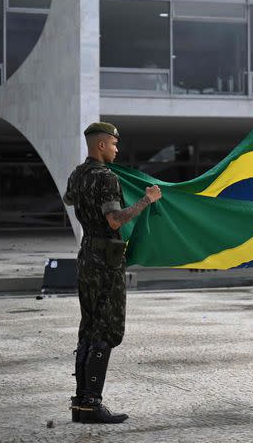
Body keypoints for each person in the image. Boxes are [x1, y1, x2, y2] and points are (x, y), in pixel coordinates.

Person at [63, 122, 162, 423]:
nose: (117, 150)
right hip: (106, 260)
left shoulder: (78, 175)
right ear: (102, 145)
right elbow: (115, 220)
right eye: (115, 145)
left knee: (89, 328)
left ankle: (80, 404)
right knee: (106, 330)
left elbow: (69, 199)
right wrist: (146, 200)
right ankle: (92, 403)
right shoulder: (107, 178)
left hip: (86, 255)